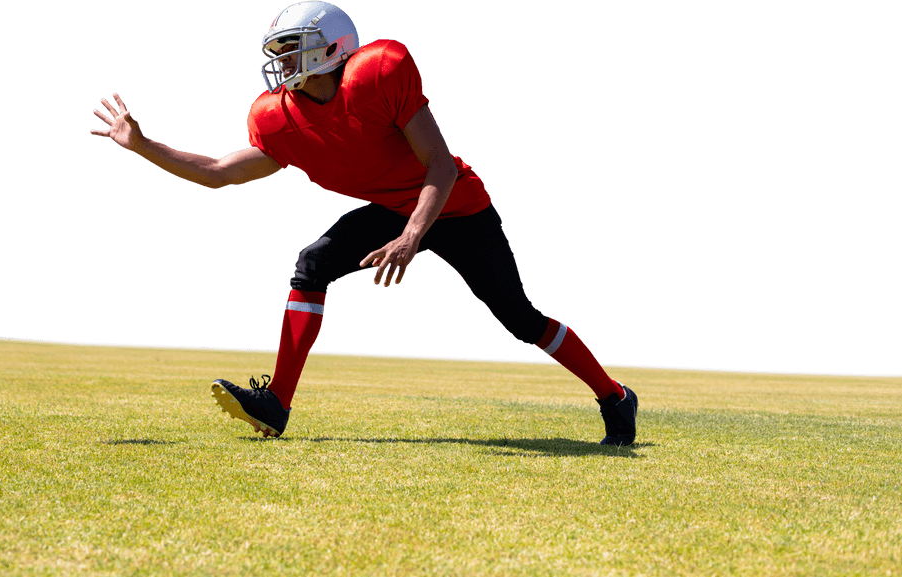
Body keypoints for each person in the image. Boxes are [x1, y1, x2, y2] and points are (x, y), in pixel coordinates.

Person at [89, 1, 638, 445]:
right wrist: (143, 145)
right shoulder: (280, 118)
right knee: (313, 264)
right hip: (393, 211)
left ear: (332, 47)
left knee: (520, 318)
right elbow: (218, 173)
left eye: (291, 48)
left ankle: (614, 396)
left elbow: (441, 167)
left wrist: (411, 236)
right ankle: (276, 404)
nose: (281, 61)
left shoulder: (378, 74)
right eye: (277, 52)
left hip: (455, 206)